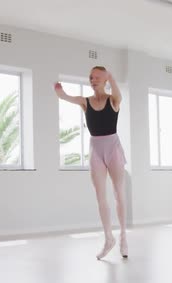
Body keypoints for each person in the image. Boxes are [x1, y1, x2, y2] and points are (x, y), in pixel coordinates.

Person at [54, 66, 128, 259]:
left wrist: (110, 77)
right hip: (95, 148)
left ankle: (123, 236)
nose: (92, 80)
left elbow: (118, 93)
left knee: (119, 193)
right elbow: (67, 97)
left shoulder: (113, 100)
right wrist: (60, 92)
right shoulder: (85, 102)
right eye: (90, 77)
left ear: (105, 79)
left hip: (112, 147)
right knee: (100, 196)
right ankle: (108, 238)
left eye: (97, 77)